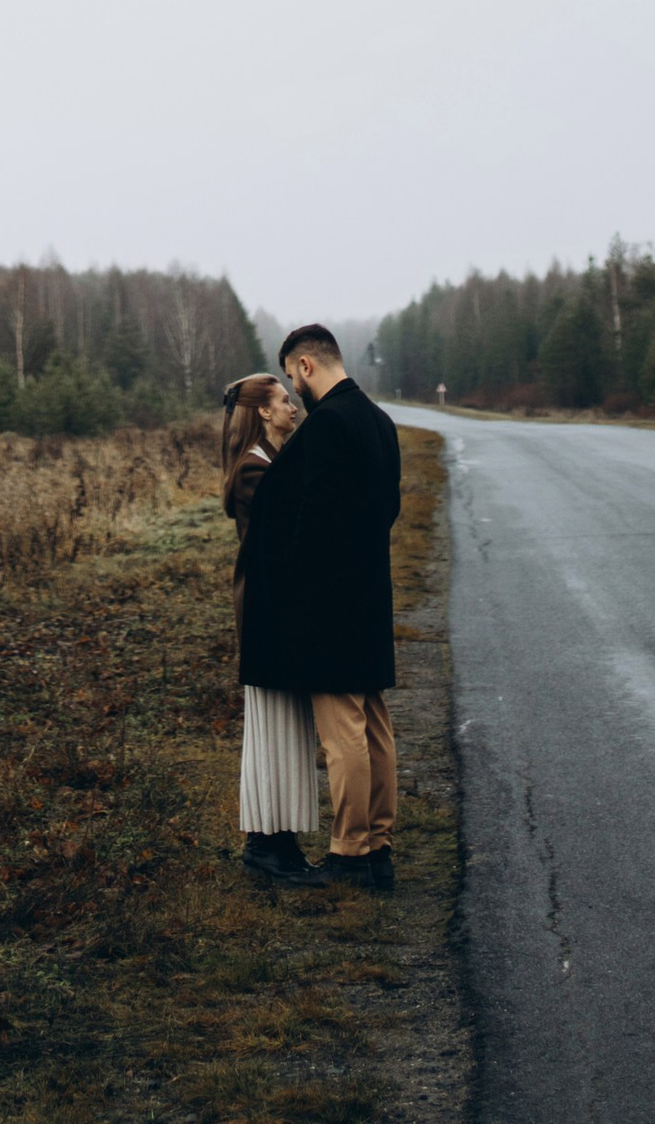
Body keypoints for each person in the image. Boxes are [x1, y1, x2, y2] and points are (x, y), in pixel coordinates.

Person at [223, 323, 402, 894]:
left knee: (342, 731)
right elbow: (389, 509)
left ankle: (349, 852)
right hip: (370, 591)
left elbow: (310, 524)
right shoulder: (379, 421)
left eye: (292, 381)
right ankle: (377, 846)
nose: (296, 399)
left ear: (303, 366)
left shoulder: (327, 427)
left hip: (329, 603)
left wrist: (297, 600)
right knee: (374, 723)